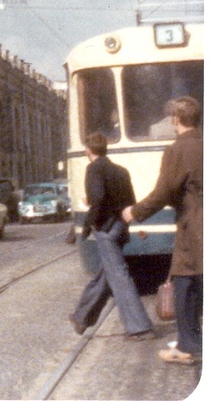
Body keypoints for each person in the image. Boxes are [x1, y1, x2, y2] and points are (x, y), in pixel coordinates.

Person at [123, 96, 203, 365]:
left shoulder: (177, 150)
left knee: (185, 282)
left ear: (175, 120)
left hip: (194, 226)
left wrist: (135, 212)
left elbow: (164, 191)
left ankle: (188, 346)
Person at [68, 133, 153, 339]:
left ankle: (140, 327)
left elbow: (98, 199)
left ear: (88, 150)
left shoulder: (94, 169)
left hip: (106, 229)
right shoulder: (121, 171)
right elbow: (131, 201)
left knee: (119, 276)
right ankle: (81, 317)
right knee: (107, 273)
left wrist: (88, 225)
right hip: (121, 227)